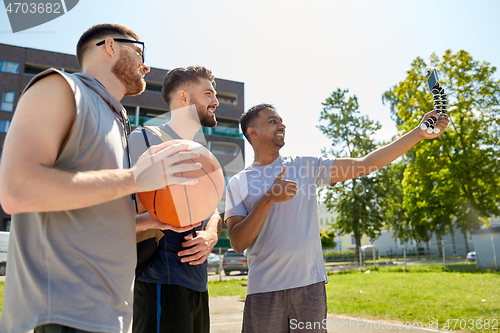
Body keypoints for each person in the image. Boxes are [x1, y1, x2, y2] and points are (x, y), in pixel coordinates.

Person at [0, 24, 202, 333]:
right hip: (64, 315)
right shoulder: (60, 87)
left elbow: (83, 216)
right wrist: (136, 178)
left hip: (111, 316)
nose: (146, 65)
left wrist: (149, 221)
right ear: (110, 46)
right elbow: (16, 190)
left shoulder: (118, 123)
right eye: (139, 52)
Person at [225, 103, 449, 332]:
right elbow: (238, 242)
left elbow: (365, 165)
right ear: (253, 132)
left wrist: (418, 133)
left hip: (309, 286)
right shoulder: (237, 183)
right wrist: (269, 198)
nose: (281, 124)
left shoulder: (305, 166)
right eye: (272, 121)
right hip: (263, 290)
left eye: (281, 120)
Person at [128, 66, 223, 333]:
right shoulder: (146, 138)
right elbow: (136, 203)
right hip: (159, 278)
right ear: (183, 97)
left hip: (197, 281)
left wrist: (211, 235)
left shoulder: (203, 153)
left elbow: (213, 210)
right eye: (208, 94)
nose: (215, 101)